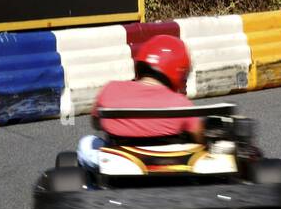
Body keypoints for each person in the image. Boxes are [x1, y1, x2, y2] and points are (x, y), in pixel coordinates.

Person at [77, 35, 203, 167]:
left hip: (120, 162)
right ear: (178, 71)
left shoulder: (111, 89)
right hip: (167, 163)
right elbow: (199, 139)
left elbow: (96, 124)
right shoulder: (181, 103)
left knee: (86, 142)